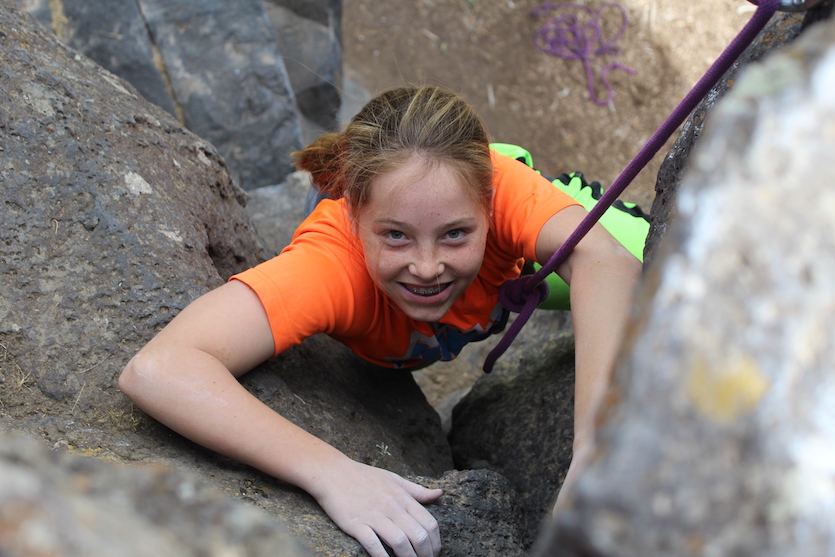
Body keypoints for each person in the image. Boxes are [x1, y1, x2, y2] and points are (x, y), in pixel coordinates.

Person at [119, 85, 642, 557]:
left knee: (668, 262)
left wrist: (595, 447)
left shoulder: (505, 197)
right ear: (354, 218)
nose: (427, 266)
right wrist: (331, 473)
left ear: (490, 207)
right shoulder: (332, 268)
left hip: (514, 270)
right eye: (395, 236)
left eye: (456, 234)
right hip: (423, 223)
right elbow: (160, 368)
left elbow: (608, 261)